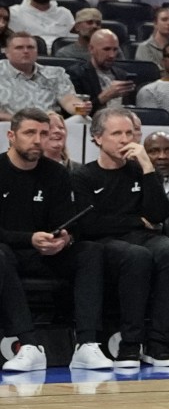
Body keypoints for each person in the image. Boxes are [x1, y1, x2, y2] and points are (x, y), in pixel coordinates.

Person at [73, 103, 169, 369]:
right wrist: (135, 220)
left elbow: (159, 214)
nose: (125, 140)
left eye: (129, 133)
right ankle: (130, 344)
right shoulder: (83, 176)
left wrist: (147, 166)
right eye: (116, 134)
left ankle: (160, 343)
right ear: (97, 138)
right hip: (104, 243)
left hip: (142, 238)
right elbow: (89, 224)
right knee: (136, 256)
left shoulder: (140, 170)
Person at [0, 107, 103, 372]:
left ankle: (87, 344)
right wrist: (29, 239)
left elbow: (68, 221)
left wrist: (64, 239)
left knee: (90, 251)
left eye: (43, 134)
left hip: (45, 253)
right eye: (29, 133)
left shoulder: (56, 173)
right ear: (11, 136)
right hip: (9, 252)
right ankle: (29, 345)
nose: (37, 140)